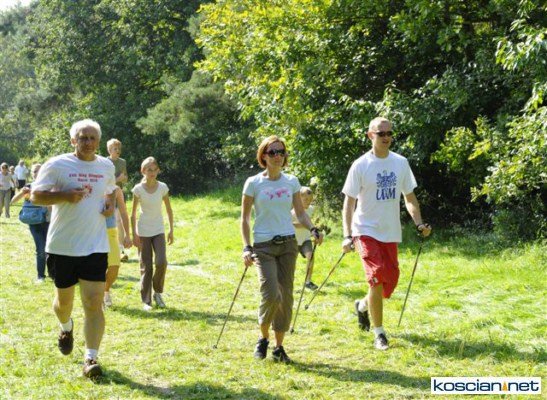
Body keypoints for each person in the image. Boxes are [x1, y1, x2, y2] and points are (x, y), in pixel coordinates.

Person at [30, 119, 116, 378]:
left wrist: (109, 204)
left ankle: (91, 359)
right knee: (63, 304)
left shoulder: (106, 166)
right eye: (82, 138)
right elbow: (35, 195)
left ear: (98, 141)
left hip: (95, 245)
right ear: (73, 140)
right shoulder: (57, 165)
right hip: (62, 246)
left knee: (93, 302)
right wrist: (65, 196)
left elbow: (110, 190)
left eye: (92, 138)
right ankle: (66, 327)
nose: (87, 142)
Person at [341, 117, 431, 351]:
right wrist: (347, 235)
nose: (386, 137)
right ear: (370, 135)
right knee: (377, 276)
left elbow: (409, 198)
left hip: (390, 232)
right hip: (365, 230)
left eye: (390, 133)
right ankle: (379, 333)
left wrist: (419, 223)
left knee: (388, 282)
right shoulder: (360, 165)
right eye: (381, 133)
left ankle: (362, 306)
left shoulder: (400, 163)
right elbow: (349, 203)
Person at [241, 135, 323, 363]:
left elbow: (300, 212)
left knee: (285, 296)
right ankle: (263, 338)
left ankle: (278, 347)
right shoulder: (253, 183)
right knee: (271, 295)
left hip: (288, 244)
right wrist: (246, 247)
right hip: (263, 246)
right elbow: (245, 219)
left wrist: (312, 229)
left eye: (281, 152)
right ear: (264, 156)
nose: (277, 156)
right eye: (272, 152)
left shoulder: (291, 182)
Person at [131, 156, 174, 311]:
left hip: (158, 230)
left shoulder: (162, 187)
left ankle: (158, 293)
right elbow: (132, 214)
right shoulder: (138, 189)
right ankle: (146, 301)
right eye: (149, 170)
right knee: (146, 266)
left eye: (155, 170)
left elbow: (169, 209)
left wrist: (171, 230)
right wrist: (134, 234)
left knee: (162, 262)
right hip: (143, 231)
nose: (152, 172)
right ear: (143, 171)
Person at [11, 163, 50, 283]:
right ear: (31, 174)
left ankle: (53, 273)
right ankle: (40, 276)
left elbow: (54, 205)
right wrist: (22, 193)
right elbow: (13, 201)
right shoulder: (28, 186)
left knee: (50, 249)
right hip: (34, 222)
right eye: (34, 171)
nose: (36, 173)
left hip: (49, 221)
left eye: (39, 170)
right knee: (41, 248)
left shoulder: (50, 186)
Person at [103, 186, 132, 307]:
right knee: (97, 267)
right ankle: (98, 297)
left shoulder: (116, 190)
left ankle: (105, 290)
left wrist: (127, 235)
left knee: (115, 265)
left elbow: (123, 212)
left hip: (111, 230)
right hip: (92, 232)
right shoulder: (90, 184)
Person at [106, 138, 129, 262]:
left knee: (119, 220)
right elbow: (104, 181)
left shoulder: (122, 162)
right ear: (109, 150)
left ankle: (121, 249)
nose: (118, 150)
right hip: (108, 194)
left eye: (119, 148)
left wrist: (122, 178)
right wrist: (117, 179)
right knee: (109, 221)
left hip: (119, 194)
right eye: (115, 148)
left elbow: (125, 178)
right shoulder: (105, 162)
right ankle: (108, 249)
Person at [291, 186, 318, 290]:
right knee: (291, 262)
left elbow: (316, 223)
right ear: (299, 198)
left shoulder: (312, 210)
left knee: (311, 257)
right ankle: (289, 281)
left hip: (306, 240)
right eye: (306, 199)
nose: (308, 202)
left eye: (310, 199)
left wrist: (317, 232)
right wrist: (306, 225)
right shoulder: (293, 212)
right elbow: (291, 224)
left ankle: (308, 281)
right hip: (294, 240)